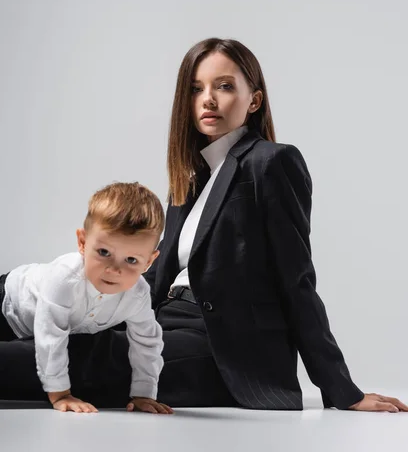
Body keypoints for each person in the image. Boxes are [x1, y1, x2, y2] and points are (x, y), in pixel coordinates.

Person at [0, 38, 406, 414]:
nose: (208, 99)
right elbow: (154, 274)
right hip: (159, 320)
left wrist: (342, 390)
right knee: (39, 306)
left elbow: (296, 279)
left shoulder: (271, 162)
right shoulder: (190, 178)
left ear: (254, 100)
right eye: (196, 89)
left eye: (225, 86)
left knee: (84, 356)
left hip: (220, 347)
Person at [0, 181, 173, 414]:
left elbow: (147, 341)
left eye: (131, 260)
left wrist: (143, 393)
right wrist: (61, 394)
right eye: (104, 253)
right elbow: (51, 336)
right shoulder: (65, 279)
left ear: (149, 261)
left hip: (40, 327)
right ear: (82, 243)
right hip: (10, 301)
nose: (114, 269)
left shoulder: (138, 294)